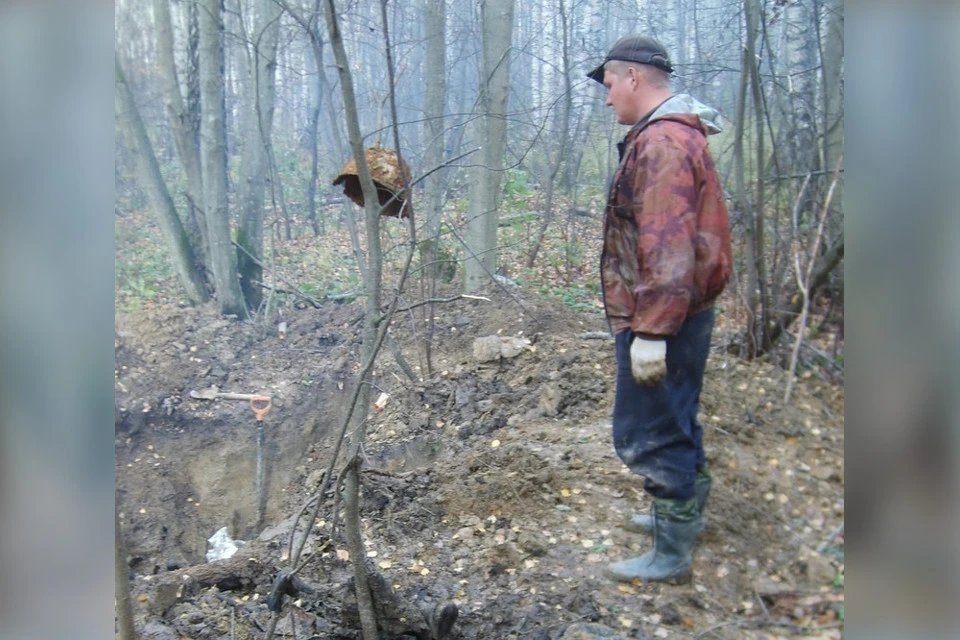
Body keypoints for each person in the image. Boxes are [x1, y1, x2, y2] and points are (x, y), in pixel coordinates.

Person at [587, 35, 733, 583]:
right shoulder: (671, 135)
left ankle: (672, 552)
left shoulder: (663, 144)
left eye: (608, 85)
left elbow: (668, 242)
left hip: (664, 313)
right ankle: (681, 518)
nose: (607, 100)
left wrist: (650, 331)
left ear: (633, 79)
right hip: (685, 308)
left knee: (648, 429)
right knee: (676, 412)